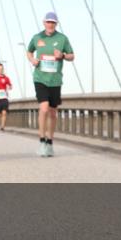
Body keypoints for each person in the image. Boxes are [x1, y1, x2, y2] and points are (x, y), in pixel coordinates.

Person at [26, 12, 74, 157]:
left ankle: (50, 142)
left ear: (56, 24)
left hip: (55, 80)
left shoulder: (62, 39)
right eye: (48, 22)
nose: (50, 24)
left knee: (53, 112)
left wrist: (63, 56)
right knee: (44, 108)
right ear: (44, 22)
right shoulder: (37, 37)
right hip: (40, 78)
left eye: (53, 22)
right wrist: (32, 60)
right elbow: (29, 51)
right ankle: (42, 141)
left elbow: (72, 56)